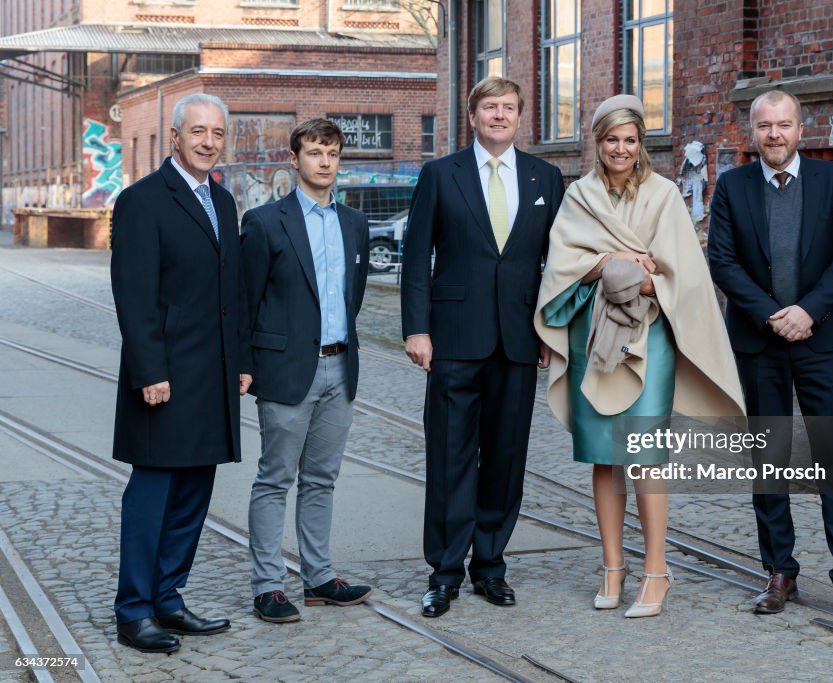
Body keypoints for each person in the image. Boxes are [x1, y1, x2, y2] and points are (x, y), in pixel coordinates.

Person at [535, 94, 745, 618]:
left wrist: (639, 277)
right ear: (597, 143)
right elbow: (561, 268)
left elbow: (684, 276)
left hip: (650, 337)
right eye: (611, 140)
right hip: (593, 335)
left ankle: (656, 571)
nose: (620, 149)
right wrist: (618, 260)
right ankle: (612, 566)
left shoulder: (665, 195)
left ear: (640, 143)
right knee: (604, 456)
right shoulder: (578, 196)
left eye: (629, 140)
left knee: (645, 453)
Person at [707, 89, 833, 620]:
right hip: (760, 341)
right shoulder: (733, 186)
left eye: (783, 125)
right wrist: (771, 315)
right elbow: (723, 260)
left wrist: (808, 312)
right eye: (764, 126)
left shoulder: (832, 181)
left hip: (821, 339)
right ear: (753, 132)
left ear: (801, 130)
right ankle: (779, 570)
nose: (774, 135)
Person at [401, 76, 565, 618]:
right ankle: (444, 571)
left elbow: (556, 265)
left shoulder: (545, 177)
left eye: (509, 108)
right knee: (449, 456)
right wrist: (416, 329)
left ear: (521, 117)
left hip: (517, 339)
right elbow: (416, 257)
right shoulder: (439, 174)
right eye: (489, 107)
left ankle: (490, 565)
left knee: (505, 457)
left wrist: (549, 329)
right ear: (472, 116)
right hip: (453, 338)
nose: (499, 115)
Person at [110, 93, 252, 653]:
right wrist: (149, 369)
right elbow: (133, 295)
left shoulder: (224, 201)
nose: (208, 142)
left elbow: (232, 293)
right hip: (163, 375)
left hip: (212, 375)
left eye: (217, 133)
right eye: (198, 132)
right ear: (175, 136)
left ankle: (169, 599)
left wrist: (242, 362)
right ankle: (133, 610)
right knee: (152, 493)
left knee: (195, 490)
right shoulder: (142, 201)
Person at [240, 118, 372, 623]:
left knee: (322, 478)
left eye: (332, 154)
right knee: (275, 478)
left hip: (340, 367)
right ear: (293, 159)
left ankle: (318, 577)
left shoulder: (354, 224)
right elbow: (246, 300)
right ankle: (268, 586)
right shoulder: (265, 221)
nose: (324, 162)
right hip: (286, 371)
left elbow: (351, 298)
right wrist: (248, 365)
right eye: (315, 152)